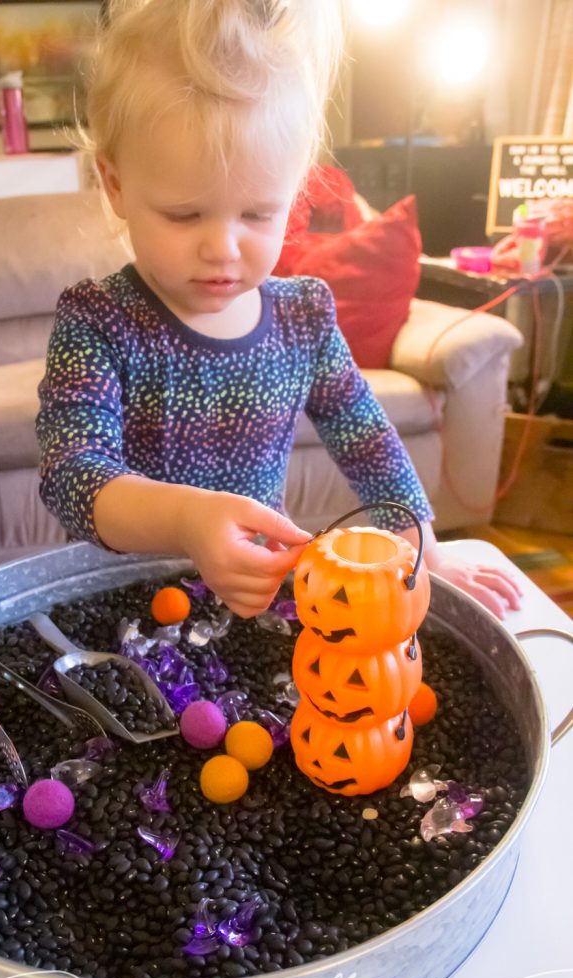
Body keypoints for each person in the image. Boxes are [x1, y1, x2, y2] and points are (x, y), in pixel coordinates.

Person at [36, 0, 521, 620]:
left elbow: (367, 440)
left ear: (295, 193)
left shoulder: (304, 319)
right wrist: (187, 521)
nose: (223, 247)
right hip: (119, 611)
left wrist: (423, 544)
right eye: (184, 214)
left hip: (255, 603)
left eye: (259, 213)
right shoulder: (99, 322)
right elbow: (73, 475)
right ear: (116, 184)